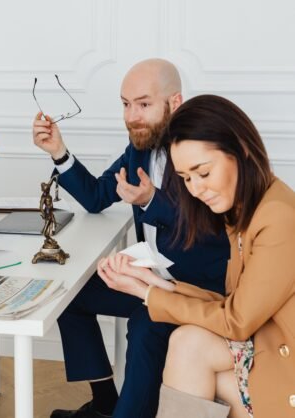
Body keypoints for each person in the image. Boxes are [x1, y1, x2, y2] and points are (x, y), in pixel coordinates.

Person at [32, 59, 230, 418]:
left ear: (175, 102)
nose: (132, 115)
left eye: (143, 104)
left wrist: (153, 201)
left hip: (199, 290)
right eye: (125, 104)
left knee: (145, 326)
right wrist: (59, 153)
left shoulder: (207, 149)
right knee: (69, 294)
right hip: (151, 277)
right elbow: (96, 196)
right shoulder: (140, 145)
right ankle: (106, 401)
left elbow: (213, 233)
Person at [98, 94, 295, 418]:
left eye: (203, 172)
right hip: (265, 348)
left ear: (241, 151)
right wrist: (156, 284)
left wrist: (148, 293)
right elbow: (232, 302)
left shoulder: (276, 217)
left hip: (282, 365)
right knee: (189, 344)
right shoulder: (245, 208)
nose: (196, 189)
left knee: (189, 347)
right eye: (187, 178)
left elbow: (236, 321)